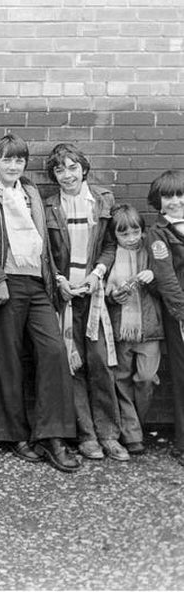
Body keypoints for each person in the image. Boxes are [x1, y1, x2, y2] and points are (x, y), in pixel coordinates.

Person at [0, 133, 81, 473]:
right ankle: (15, 435)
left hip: (37, 284)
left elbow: (42, 242)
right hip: (5, 285)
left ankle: (53, 436)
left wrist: (54, 277)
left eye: (18, 160)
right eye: (6, 159)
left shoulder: (30, 194)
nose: (13, 165)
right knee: (8, 358)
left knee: (54, 351)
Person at [43, 143, 125, 461]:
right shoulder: (49, 205)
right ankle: (87, 436)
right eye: (60, 169)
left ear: (84, 169)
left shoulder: (103, 199)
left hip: (95, 295)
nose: (67, 175)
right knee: (71, 365)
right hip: (65, 296)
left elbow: (109, 244)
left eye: (72, 167)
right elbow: (46, 252)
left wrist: (99, 273)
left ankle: (109, 435)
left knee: (100, 362)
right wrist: (59, 281)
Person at [105, 205, 161, 456]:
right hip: (121, 328)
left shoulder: (151, 249)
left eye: (135, 231)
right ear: (115, 235)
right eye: (123, 234)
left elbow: (167, 282)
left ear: (142, 230)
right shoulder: (111, 254)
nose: (131, 238)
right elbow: (104, 293)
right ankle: (132, 434)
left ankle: (137, 421)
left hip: (149, 328)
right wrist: (113, 296)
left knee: (146, 377)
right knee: (122, 379)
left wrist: (153, 276)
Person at [144, 170, 184, 468]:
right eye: (168, 196)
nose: (175, 201)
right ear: (159, 201)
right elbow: (167, 278)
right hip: (179, 313)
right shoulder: (159, 233)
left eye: (180, 195)